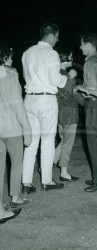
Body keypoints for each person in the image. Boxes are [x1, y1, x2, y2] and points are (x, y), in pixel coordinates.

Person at [22, 23, 75, 193]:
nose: (57, 40)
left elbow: (27, 77)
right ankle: (47, 180)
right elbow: (55, 80)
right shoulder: (51, 54)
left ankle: (26, 183)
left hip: (29, 99)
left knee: (31, 143)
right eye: (57, 37)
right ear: (51, 36)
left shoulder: (27, 53)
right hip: (46, 100)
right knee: (47, 141)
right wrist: (66, 79)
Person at [74, 33, 97, 192]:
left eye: (82, 44)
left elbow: (92, 90)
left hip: (93, 106)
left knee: (93, 144)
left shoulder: (89, 62)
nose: (80, 47)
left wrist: (79, 89)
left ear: (89, 45)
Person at [0, 42, 31, 208]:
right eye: (11, 58)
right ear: (5, 58)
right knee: (16, 162)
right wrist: (27, 129)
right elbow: (18, 106)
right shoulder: (11, 77)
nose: (13, 61)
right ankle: (15, 197)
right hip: (12, 129)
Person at [53, 46, 79, 181]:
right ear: (64, 59)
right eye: (70, 57)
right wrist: (72, 78)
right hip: (70, 113)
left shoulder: (55, 73)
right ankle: (63, 172)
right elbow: (70, 93)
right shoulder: (67, 74)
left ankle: (47, 162)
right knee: (68, 143)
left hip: (60, 112)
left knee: (63, 141)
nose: (72, 59)